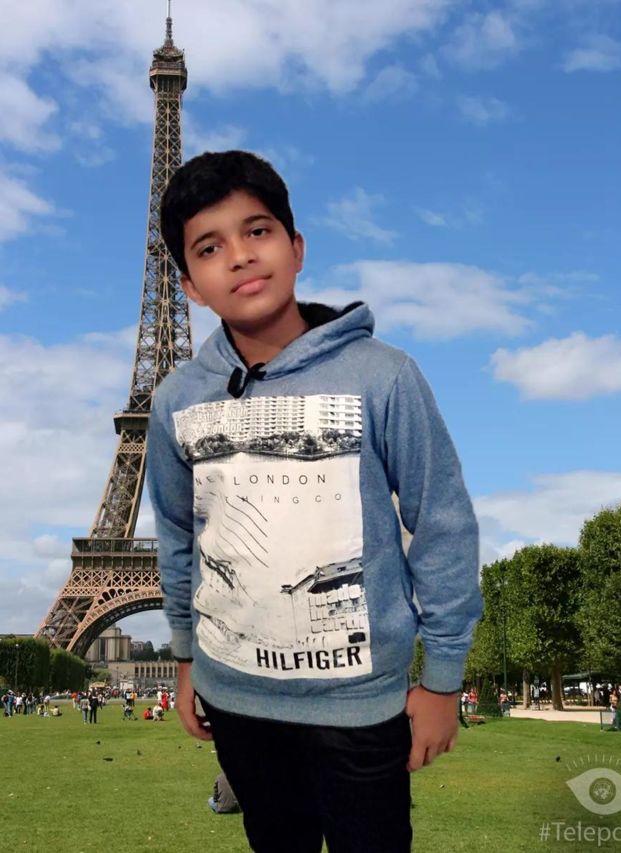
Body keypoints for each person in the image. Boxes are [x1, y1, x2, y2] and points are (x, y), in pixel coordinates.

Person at [148, 150, 482, 853]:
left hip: (359, 705)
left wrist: (443, 680)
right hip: (234, 699)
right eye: (209, 247)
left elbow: (443, 524)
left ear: (296, 248)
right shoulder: (177, 399)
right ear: (190, 287)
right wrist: (185, 659)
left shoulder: (384, 377)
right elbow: (177, 537)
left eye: (257, 231)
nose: (240, 255)